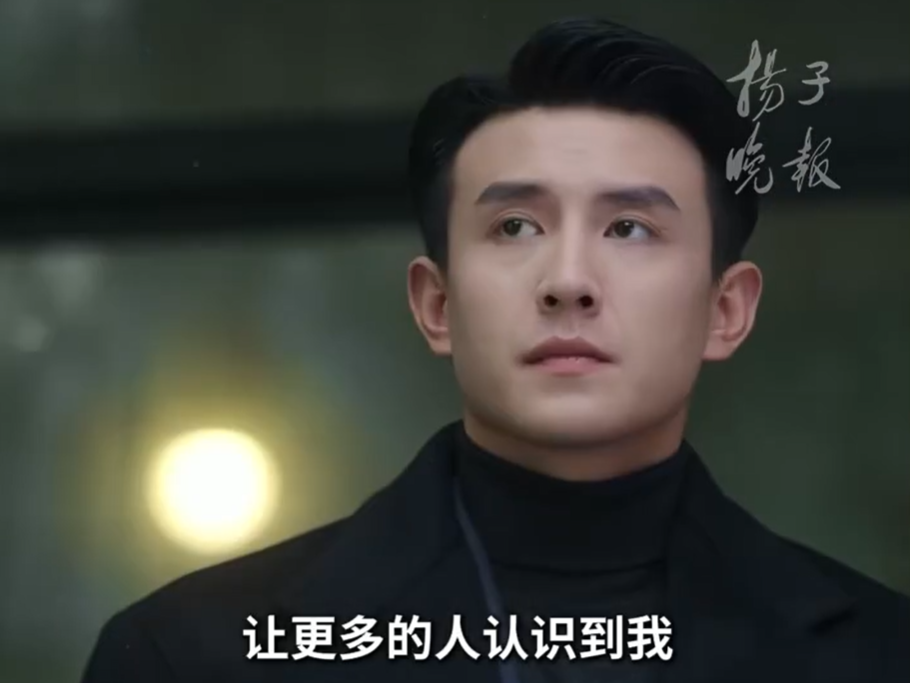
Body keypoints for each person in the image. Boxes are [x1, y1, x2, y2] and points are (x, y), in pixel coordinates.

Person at [81, 17, 909, 683]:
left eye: (629, 227)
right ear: (435, 304)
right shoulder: (191, 654)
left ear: (726, 311)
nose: (569, 281)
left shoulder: (879, 652)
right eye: (515, 226)